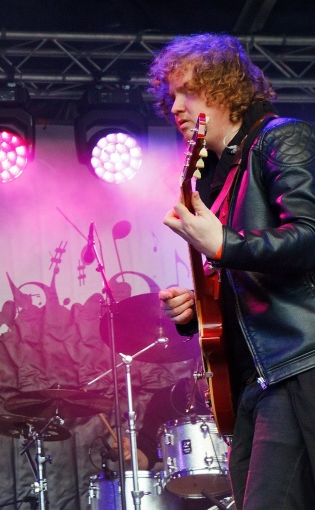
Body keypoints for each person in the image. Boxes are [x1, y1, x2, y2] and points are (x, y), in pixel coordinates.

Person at [150, 33, 315, 509]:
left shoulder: (281, 138)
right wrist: (200, 308)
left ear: (226, 90)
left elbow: (309, 235)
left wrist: (224, 244)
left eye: (189, 91)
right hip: (257, 381)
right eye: (172, 96)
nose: (177, 106)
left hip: (297, 362)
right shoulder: (220, 179)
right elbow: (247, 274)